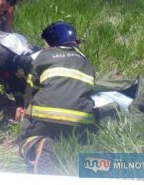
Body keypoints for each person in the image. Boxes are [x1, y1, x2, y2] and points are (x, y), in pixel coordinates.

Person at [19, 21, 96, 174]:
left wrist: (26, 110)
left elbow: (30, 87)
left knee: (26, 136)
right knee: (65, 134)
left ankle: (35, 145)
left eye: (45, 43)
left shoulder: (45, 55)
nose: (44, 46)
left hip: (46, 115)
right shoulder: (86, 61)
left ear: (52, 42)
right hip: (80, 120)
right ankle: (67, 142)